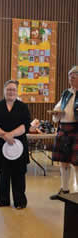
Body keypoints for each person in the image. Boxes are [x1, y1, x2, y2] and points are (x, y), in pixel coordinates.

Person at [0, 80, 31, 209]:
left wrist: (10, 134)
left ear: (17, 91)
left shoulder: (23, 107)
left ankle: (20, 202)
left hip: (19, 145)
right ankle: (2, 200)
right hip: (1, 145)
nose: (11, 92)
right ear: (4, 91)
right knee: (3, 173)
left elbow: (25, 126)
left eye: (13, 89)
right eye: (8, 89)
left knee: (19, 173)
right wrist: (4, 136)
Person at [50, 66, 78, 199]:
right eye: (69, 77)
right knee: (63, 161)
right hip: (64, 130)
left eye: (73, 77)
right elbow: (59, 107)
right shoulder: (66, 93)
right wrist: (56, 112)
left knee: (77, 163)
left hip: (76, 130)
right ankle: (65, 190)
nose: (70, 79)